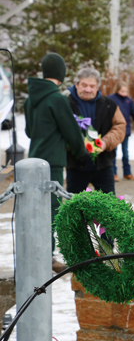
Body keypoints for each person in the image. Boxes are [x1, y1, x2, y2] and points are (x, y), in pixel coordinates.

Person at [24, 52, 90, 273]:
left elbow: (28, 130)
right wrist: (83, 154)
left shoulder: (31, 98)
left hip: (33, 159)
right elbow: (71, 131)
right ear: (61, 73)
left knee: (34, 208)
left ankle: (36, 252)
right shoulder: (57, 99)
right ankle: (47, 256)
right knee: (51, 209)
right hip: (51, 162)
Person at [67, 68, 126, 194]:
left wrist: (104, 143)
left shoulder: (109, 104)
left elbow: (120, 126)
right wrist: (76, 144)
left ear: (97, 87)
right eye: (84, 85)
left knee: (108, 206)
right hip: (76, 165)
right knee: (75, 208)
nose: (88, 89)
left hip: (103, 164)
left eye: (92, 86)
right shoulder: (66, 104)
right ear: (76, 85)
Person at [108, 81, 134, 181]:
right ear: (117, 90)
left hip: (125, 131)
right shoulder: (111, 99)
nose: (124, 93)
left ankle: (127, 172)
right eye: (122, 91)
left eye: (126, 91)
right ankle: (113, 173)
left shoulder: (129, 101)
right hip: (114, 131)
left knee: (126, 152)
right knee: (113, 153)